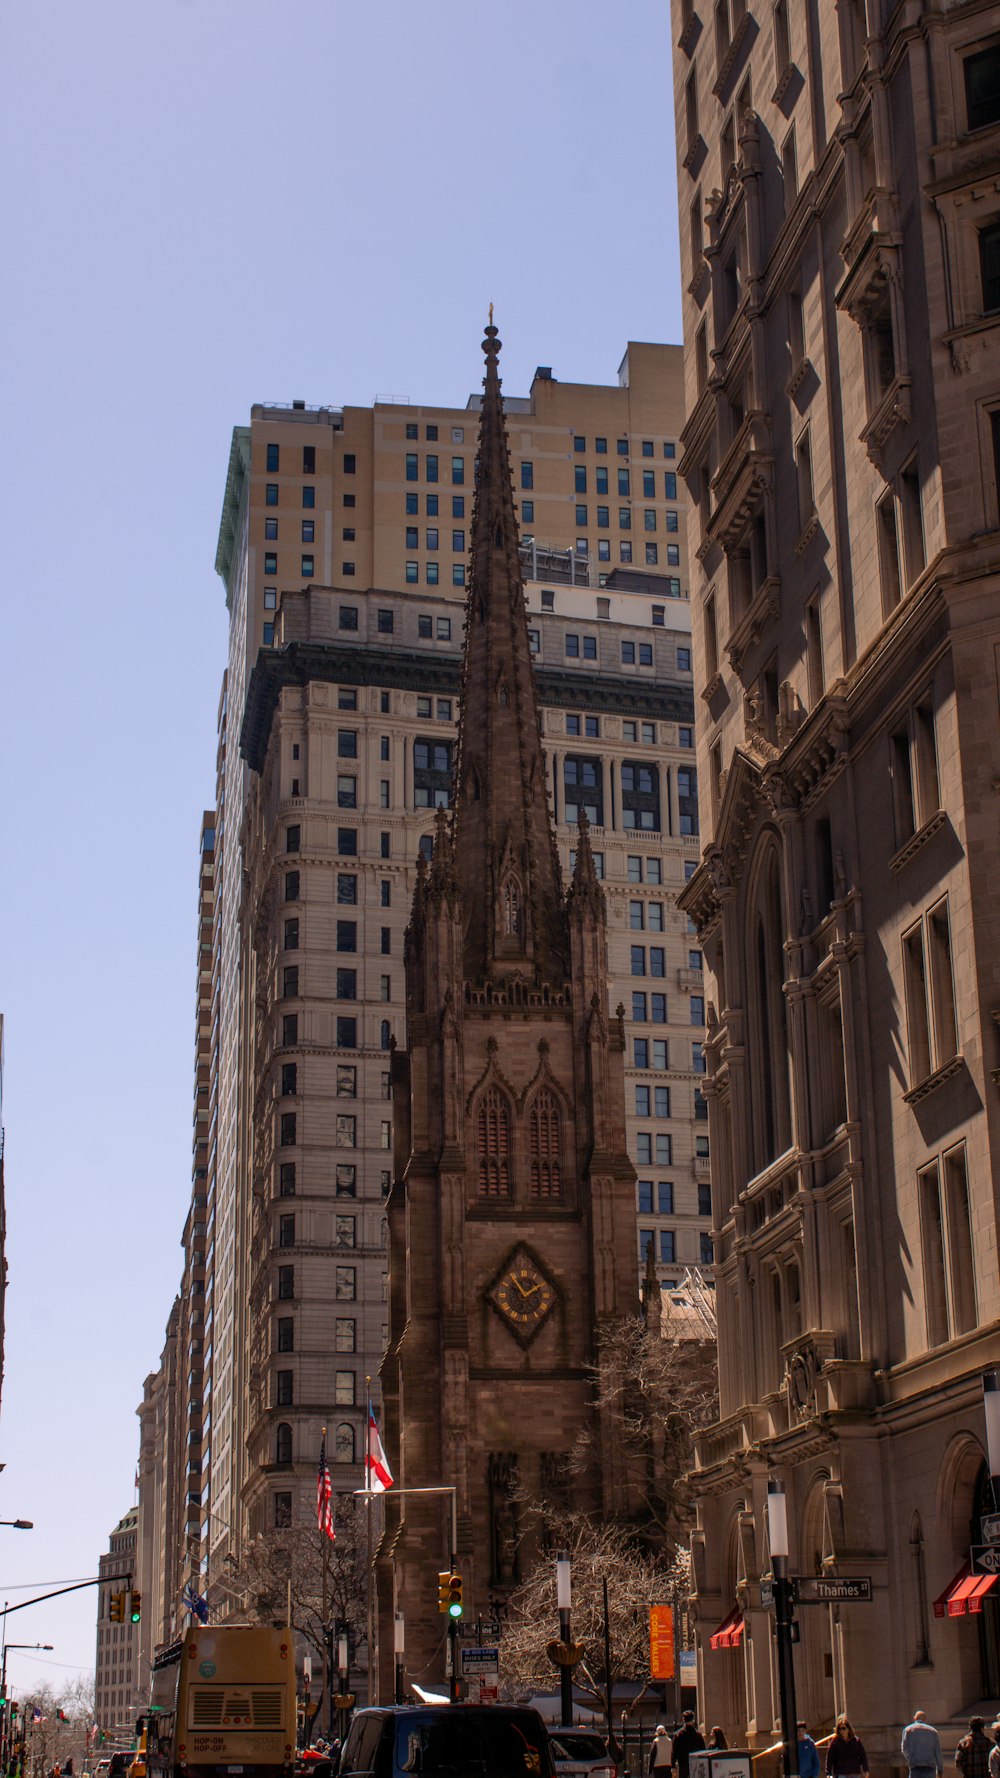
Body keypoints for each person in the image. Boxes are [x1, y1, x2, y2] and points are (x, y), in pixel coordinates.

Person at [903, 1712, 944, 1778]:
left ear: (914, 1718)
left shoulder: (908, 1730)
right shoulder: (933, 1731)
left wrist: (911, 1759)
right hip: (930, 1768)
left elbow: (905, 1749)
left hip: (915, 1767)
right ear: (925, 1719)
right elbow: (938, 1752)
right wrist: (940, 1770)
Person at [672, 1710, 707, 1778]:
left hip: (683, 1763)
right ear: (693, 1720)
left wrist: (673, 1766)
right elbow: (703, 1750)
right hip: (696, 1763)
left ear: (683, 1720)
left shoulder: (678, 1734)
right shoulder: (698, 1734)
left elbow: (674, 1751)